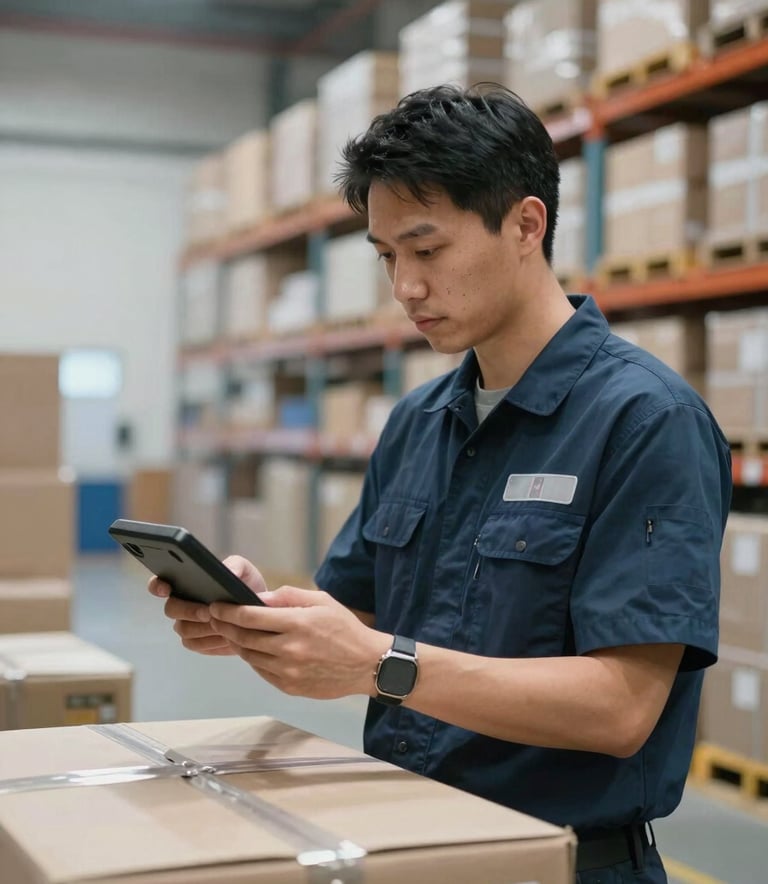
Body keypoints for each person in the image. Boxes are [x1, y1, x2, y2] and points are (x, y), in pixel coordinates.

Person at [150, 84, 732, 883]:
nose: (405, 288)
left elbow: (621, 709)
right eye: (387, 256)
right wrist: (258, 619)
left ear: (527, 224)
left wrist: (378, 664)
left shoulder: (644, 421)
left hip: (559, 864)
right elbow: (358, 618)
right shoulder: (419, 421)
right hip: (406, 845)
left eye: (428, 250)